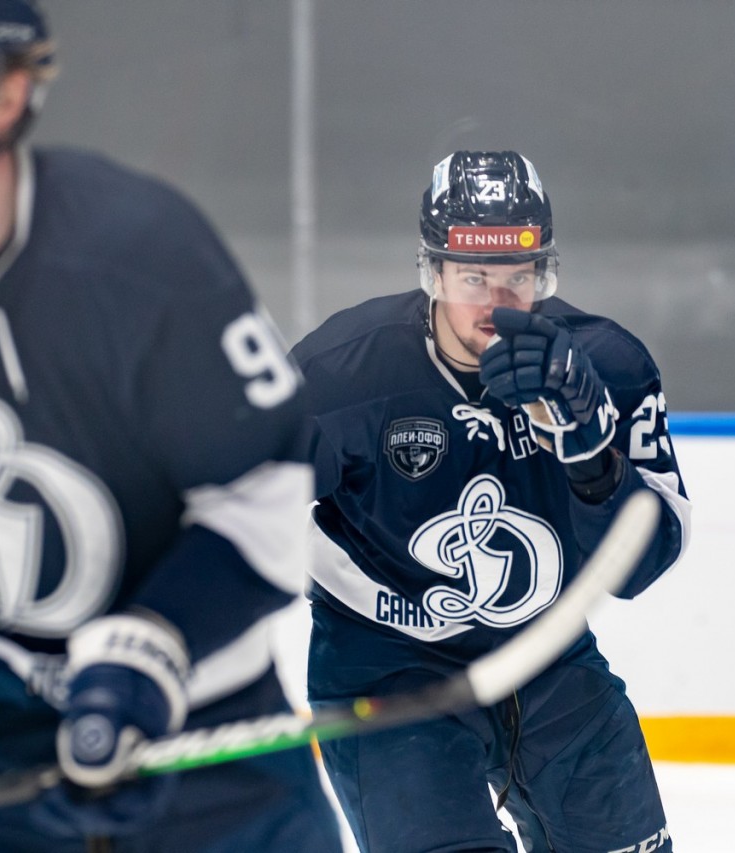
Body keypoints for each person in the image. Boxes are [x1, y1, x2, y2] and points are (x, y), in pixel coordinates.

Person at [0, 1, 344, 850]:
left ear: (7, 94)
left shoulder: (146, 254)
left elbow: (264, 491)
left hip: (197, 728)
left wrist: (152, 645)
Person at [291, 150, 691, 853]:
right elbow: (231, 514)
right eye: (474, 277)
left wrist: (591, 452)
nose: (498, 303)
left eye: (519, 277)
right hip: (387, 672)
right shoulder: (340, 375)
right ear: (434, 272)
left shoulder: (607, 368)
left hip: (550, 659)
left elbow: (642, 565)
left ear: (545, 272)